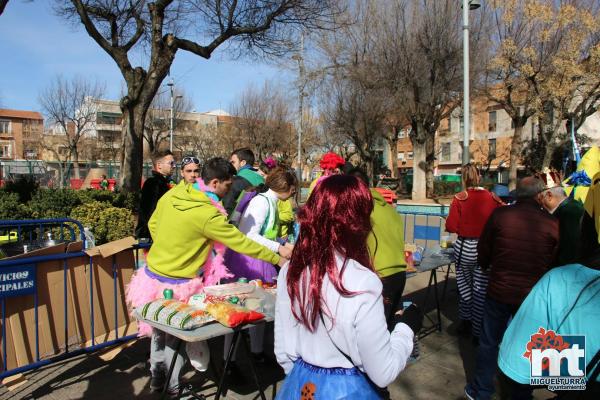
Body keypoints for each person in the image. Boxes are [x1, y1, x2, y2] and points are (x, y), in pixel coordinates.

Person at [126, 157, 287, 395]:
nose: (229, 190)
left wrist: (168, 247)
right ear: (214, 182)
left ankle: (158, 377)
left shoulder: (174, 194)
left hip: (153, 273)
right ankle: (173, 387)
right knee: (175, 336)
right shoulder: (208, 215)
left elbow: (153, 222)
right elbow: (241, 242)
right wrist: (277, 258)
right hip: (180, 281)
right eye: (227, 185)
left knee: (159, 329)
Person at [274, 175, 423, 399]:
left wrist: (308, 381)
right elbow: (383, 372)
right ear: (358, 221)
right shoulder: (363, 282)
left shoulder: (291, 271)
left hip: (302, 387)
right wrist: (406, 328)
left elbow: (283, 352)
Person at [465, 177, 560, 400]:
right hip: (531, 296)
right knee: (530, 343)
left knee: (489, 342)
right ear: (539, 196)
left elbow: (484, 247)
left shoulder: (501, 216)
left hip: (499, 290)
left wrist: (486, 264)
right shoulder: (551, 222)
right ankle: (521, 392)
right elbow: (553, 258)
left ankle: (481, 390)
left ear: (517, 194)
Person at [223, 167, 297, 369]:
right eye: (294, 190)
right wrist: (278, 248)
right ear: (287, 188)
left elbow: (266, 232)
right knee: (239, 310)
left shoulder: (270, 201)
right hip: (249, 262)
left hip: (259, 258)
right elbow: (249, 234)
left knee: (259, 310)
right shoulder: (261, 202)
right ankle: (229, 362)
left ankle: (256, 353)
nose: (294, 195)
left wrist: (282, 242)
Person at [445, 164, 503, 338]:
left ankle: (466, 324)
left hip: (465, 249)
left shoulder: (460, 198)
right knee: (480, 290)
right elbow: (502, 218)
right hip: (485, 249)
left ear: (463, 178)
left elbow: (451, 226)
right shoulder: (493, 198)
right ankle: (478, 332)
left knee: (465, 288)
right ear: (479, 177)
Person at [348, 167, 407, 327]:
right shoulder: (388, 208)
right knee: (390, 324)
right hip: (399, 273)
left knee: (375, 331)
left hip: (380, 276)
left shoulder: (360, 209)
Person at [536, 168, 584, 266]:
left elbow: (570, 250)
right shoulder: (572, 207)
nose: (539, 203)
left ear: (549, 195)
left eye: (540, 198)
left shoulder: (569, 212)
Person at [135, 150, 175, 240]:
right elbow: (148, 212)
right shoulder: (152, 183)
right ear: (159, 165)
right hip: (153, 236)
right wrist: (147, 236)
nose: (174, 166)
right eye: (171, 163)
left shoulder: (166, 183)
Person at [222, 148, 265, 215]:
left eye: (233, 162)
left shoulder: (237, 181)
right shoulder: (262, 179)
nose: (230, 165)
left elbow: (227, 206)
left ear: (243, 163)